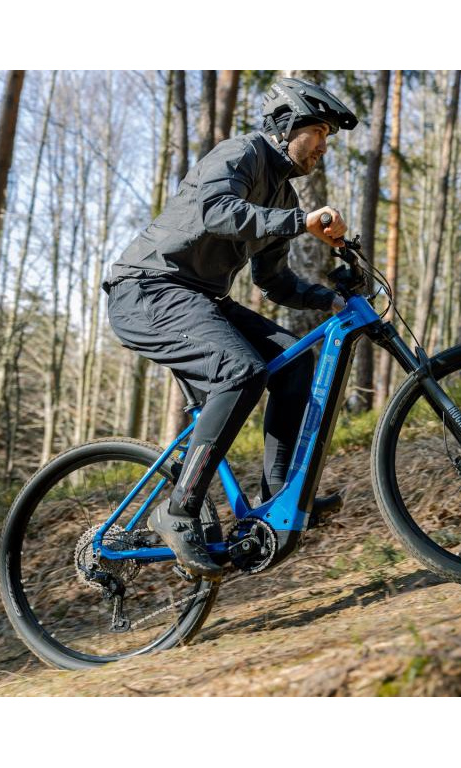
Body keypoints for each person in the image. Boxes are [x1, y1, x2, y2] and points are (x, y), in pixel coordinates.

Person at [103, 78, 358, 579]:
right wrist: (299, 222)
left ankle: (278, 495)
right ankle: (177, 511)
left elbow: (274, 281)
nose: (323, 147)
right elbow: (216, 212)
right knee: (241, 372)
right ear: (287, 125)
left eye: (328, 138)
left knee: (293, 360)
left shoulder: (283, 193)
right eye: (319, 133)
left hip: (199, 298)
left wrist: (329, 298)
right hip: (148, 288)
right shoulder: (241, 153)